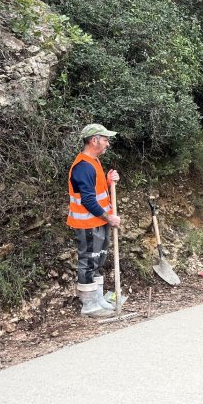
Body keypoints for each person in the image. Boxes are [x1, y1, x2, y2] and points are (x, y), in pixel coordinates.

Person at [66, 124, 121, 318]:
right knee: (88, 261)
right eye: (105, 139)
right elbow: (88, 200)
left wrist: (107, 181)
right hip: (88, 224)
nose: (107, 143)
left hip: (98, 223)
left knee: (98, 260)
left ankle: (98, 300)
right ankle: (89, 305)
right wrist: (110, 218)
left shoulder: (94, 161)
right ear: (94, 140)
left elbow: (95, 191)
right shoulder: (83, 166)